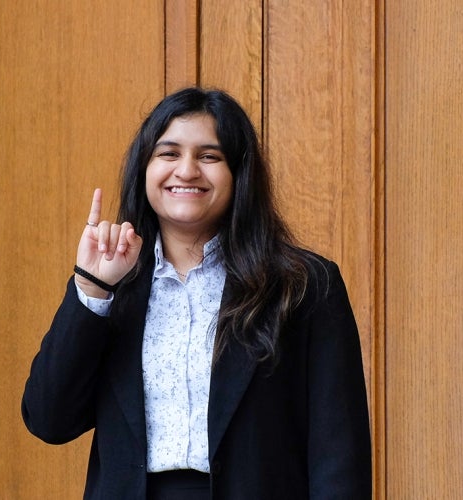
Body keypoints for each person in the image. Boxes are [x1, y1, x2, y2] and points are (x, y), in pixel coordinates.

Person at [21, 87, 371, 499]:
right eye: (168, 154)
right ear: (144, 171)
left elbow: (338, 452)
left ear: (239, 175)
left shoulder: (303, 284)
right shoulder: (116, 286)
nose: (186, 171)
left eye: (209, 156)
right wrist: (92, 289)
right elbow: (49, 420)